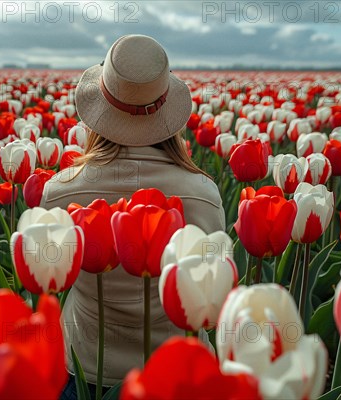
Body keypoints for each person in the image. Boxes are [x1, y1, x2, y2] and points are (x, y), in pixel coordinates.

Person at [39, 34, 226, 398]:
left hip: (85, 368)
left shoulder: (61, 192)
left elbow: (50, 284)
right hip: (176, 373)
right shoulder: (203, 194)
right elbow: (213, 300)